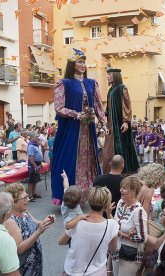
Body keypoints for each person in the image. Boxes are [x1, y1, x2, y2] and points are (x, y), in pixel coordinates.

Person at [51, 48, 105, 205]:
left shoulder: (91, 83)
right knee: (69, 159)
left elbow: (98, 105)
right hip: (71, 129)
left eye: (84, 62)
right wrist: (76, 114)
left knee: (89, 160)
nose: (83, 65)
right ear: (72, 64)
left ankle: (88, 193)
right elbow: (59, 107)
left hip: (88, 131)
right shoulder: (64, 83)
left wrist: (102, 121)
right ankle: (68, 195)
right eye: (79, 62)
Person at [58, 186, 119, 276]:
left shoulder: (77, 221)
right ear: (106, 204)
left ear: (89, 201)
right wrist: (108, 213)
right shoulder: (112, 225)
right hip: (97, 272)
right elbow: (113, 249)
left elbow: (61, 241)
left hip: (72, 271)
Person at [4, 184, 55, 276]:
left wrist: (46, 221)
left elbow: (36, 223)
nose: (28, 200)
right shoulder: (10, 221)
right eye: (24, 198)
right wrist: (38, 232)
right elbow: (19, 249)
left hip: (35, 264)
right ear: (13, 202)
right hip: (25, 268)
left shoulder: (25, 212)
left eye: (27, 197)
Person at [102, 67, 139, 174]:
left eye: (110, 74)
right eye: (107, 75)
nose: (108, 77)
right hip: (111, 125)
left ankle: (123, 170)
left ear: (115, 75)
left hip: (120, 124)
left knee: (122, 147)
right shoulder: (110, 90)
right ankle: (111, 170)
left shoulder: (122, 88)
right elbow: (108, 108)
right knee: (109, 149)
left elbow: (126, 105)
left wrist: (126, 121)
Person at [112, 176, 147, 275]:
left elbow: (143, 238)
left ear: (133, 191)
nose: (120, 190)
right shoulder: (121, 203)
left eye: (124, 188)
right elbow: (115, 223)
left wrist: (122, 234)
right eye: (121, 187)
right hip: (116, 250)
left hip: (129, 255)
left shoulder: (138, 211)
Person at [27, 133, 43, 201]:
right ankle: (30, 196)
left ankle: (34, 193)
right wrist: (35, 166)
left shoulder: (35, 145)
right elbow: (31, 157)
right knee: (31, 180)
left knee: (35, 180)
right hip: (33, 164)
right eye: (36, 137)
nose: (37, 138)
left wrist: (40, 163)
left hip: (37, 164)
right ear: (31, 138)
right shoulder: (31, 146)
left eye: (38, 136)